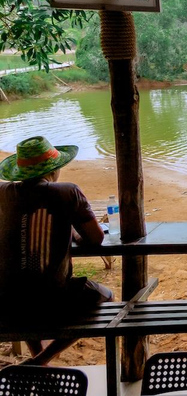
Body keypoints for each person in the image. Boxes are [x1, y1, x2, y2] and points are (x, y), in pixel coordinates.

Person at [0, 136, 113, 365]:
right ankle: (43, 358)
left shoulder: (4, 193)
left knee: (25, 295)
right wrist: (74, 232)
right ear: (54, 169)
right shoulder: (67, 192)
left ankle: (36, 355)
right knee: (108, 298)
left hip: (7, 302)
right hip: (53, 300)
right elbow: (96, 238)